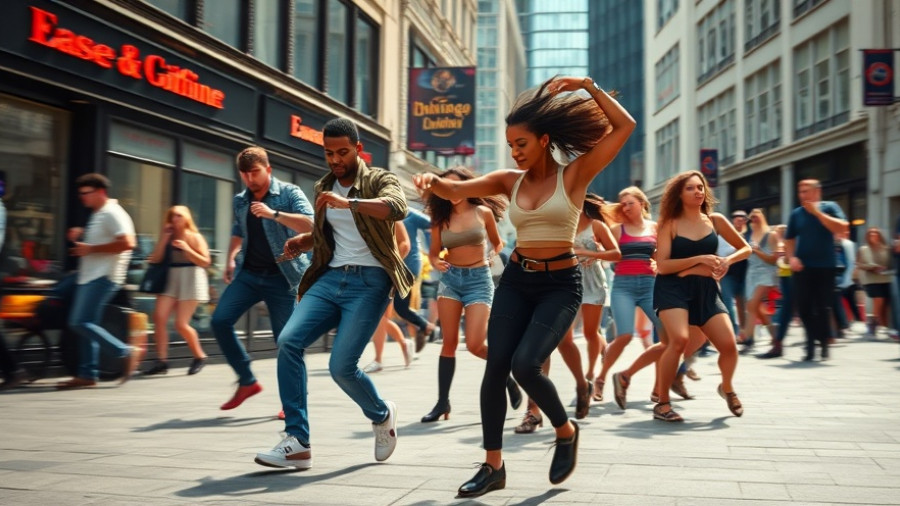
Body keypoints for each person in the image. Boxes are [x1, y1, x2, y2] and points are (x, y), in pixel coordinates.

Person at [415, 75, 635, 498]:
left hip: (560, 284)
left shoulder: (575, 175)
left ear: (544, 139)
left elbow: (624, 127)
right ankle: (493, 465)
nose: (514, 152)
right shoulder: (506, 181)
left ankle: (565, 430)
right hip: (517, 279)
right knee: (496, 366)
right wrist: (431, 182)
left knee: (526, 364)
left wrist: (587, 86)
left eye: (521, 144)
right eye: (510, 144)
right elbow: (456, 187)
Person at [254, 118, 413, 470]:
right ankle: (297, 441)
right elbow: (329, 234)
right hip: (329, 279)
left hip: (370, 283)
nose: (336, 159)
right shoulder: (324, 185)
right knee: (289, 342)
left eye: (343, 152)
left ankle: (382, 414)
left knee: (341, 366)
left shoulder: (379, 179)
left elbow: (397, 207)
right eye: (329, 153)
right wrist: (304, 240)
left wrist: (351, 203)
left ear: (358, 149)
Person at [212, 146, 313, 412]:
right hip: (250, 274)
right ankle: (247, 380)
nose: (249, 179)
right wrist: (231, 256)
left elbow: (312, 226)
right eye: (244, 174)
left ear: (268, 169)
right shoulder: (240, 200)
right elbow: (238, 229)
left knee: (287, 343)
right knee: (220, 320)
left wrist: (274, 214)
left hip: (284, 278)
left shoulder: (289, 193)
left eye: (255, 172)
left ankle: (292, 403)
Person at [653, 171, 750, 422]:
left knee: (729, 345)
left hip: (706, 289)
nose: (698, 192)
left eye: (701, 187)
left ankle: (726, 387)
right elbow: (662, 265)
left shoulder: (715, 220)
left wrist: (726, 261)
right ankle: (662, 403)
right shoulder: (669, 224)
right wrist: (699, 258)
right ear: (679, 194)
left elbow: (746, 248)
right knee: (679, 341)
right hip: (672, 288)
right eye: (691, 188)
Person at [419, 166, 512, 424]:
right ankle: (442, 403)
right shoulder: (440, 219)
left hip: (478, 281)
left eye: (455, 185)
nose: (451, 191)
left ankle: (509, 378)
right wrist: (436, 262)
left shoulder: (483, 212)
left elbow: (497, 241)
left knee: (474, 345)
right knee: (448, 344)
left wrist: (494, 253)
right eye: (445, 186)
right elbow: (434, 252)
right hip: (450, 281)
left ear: (467, 187)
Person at [56, 173, 140, 389]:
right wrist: (82, 234)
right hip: (90, 276)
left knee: (79, 322)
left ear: (101, 192)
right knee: (86, 324)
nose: (82, 197)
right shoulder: (99, 213)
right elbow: (106, 237)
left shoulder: (112, 212)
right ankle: (87, 374)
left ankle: (124, 352)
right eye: (80, 193)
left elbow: (128, 243)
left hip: (103, 277)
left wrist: (90, 249)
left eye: (86, 193)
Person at [595, 187, 662, 402]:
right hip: (623, 286)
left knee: (667, 337)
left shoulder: (655, 228)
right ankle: (601, 379)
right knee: (624, 335)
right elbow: (604, 251)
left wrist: (658, 263)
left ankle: (658, 388)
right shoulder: (616, 230)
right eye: (622, 204)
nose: (625, 207)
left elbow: (661, 255)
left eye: (630, 202)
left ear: (642, 203)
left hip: (650, 286)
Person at [142, 206, 211, 376]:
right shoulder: (168, 236)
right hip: (170, 277)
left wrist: (187, 248)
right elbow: (155, 259)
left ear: (187, 218)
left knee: (181, 324)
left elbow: (205, 262)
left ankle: (199, 356)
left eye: (179, 216)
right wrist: (164, 238)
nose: (175, 219)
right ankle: (161, 361)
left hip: (191, 276)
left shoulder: (195, 237)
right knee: (158, 317)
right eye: (172, 216)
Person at [784, 180, 848, 361]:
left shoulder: (830, 207)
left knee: (822, 308)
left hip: (826, 267)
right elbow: (789, 240)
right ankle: (814, 341)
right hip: (802, 267)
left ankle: (821, 345)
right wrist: (791, 258)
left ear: (817, 192)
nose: (802, 195)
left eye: (806, 191)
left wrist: (817, 213)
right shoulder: (796, 214)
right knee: (803, 308)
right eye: (800, 191)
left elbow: (842, 227)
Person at [363, 222, 413, 372]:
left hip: (385, 274)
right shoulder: (357, 214)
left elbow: (405, 243)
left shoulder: (391, 216)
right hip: (362, 272)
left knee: (380, 317)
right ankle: (403, 343)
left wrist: (390, 263)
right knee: (376, 317)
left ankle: (378, 360)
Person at [395, 207, 439, 352]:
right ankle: (424, 329)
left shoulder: (409, 213)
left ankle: (425, 328)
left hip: (408, 267)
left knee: (401, 307)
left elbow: (435, 225)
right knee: (399, 308)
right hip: (390, 267)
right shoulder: (376, 210)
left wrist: (434, 251)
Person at [737, 208, 778, 351]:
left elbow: (773, 260)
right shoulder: (747, 235)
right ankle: (774, 333)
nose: (754, 219)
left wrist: (757, 251)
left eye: (757, 216)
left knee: (752, 305)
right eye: (752, 217)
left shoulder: (771, 234)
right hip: (751, 274)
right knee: (755, 308)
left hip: (766, 273)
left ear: (763, 217)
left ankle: (749, 339)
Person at [858, 227, 893, 337]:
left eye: (875, 233)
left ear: (879, 235)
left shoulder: (887, 249)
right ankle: (872, 324)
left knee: (885, 304)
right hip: (871, 279)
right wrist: (872, 267)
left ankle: (884, 325)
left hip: (886, 278)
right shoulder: (863, 249)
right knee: (879, 299)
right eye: (870, 233)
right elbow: (859, 264)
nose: (873, 234)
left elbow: (892, 263)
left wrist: (886, 268)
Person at [720, 210, 749, 336]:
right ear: (732, 220)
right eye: (736, 218)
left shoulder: (750, 234)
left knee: (742, 305)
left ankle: (744, 333)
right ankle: (734, 331)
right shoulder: (725, 234)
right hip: (728, 274)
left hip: (744, 274)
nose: (739, 220)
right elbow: (722, 253)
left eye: (742, 218)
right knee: (728, 302)